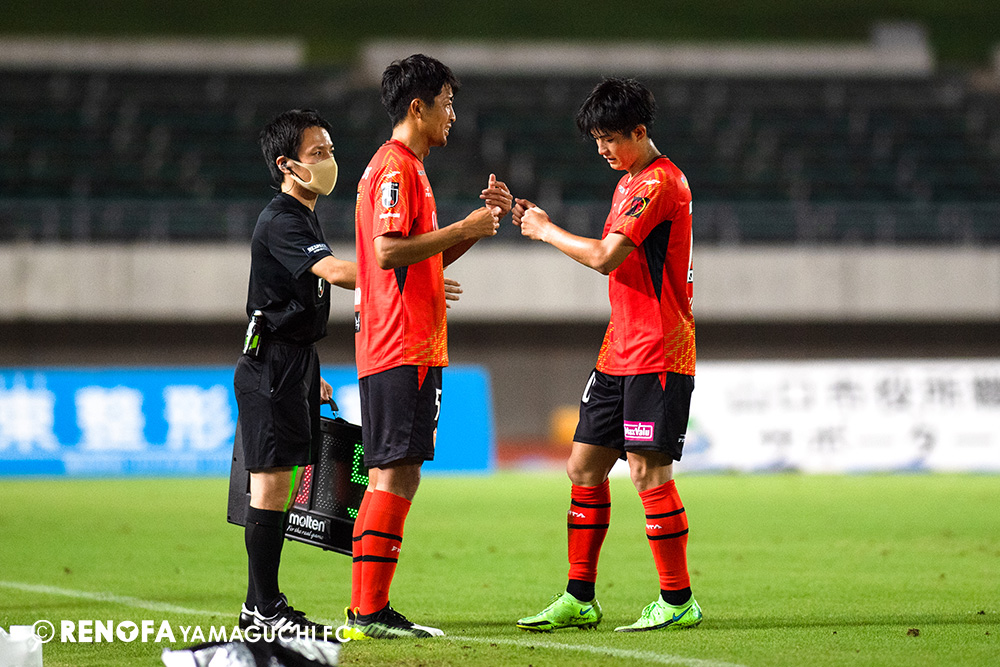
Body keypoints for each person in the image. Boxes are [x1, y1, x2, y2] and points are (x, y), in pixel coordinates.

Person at [513, 78, 702, 633]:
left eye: (610, 138)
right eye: (596, 139)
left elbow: (603, 257)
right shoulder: (628, 183)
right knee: (583, 467)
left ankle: (678, 599)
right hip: (619, 350)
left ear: (639, 132)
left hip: (658, 351)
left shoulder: (659, 183)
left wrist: (545, 230)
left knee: (648, 470)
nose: (601, 149)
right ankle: (580, 597)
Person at [347, 53, 512, 640]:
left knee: (397, 472)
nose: (453, 115)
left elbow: (419, 255)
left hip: (404, 342)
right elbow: (388, 251)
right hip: (401, 343)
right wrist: (464, 227)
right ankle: (368, 612)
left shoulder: (405, 168)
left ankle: (370, 607)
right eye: (447, 103)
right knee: (393, 473)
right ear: (418, 107)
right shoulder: (396, 168)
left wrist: (476, 226)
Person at [234, 108, 356, 634]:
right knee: (269, 488)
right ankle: (265, 610)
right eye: (317, 153)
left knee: (278, 487)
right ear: (287, 165)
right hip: (272, 364)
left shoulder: (304, 215)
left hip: (295, 360)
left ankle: (257, 608)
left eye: (330, 150)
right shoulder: (282, 219)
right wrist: (410, 273)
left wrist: (311, 369)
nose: (329, 161)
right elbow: (336, 272)